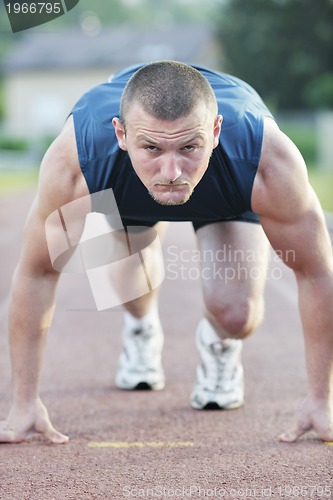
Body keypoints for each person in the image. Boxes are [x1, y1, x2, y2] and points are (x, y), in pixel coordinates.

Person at [0, 61, 332, 444]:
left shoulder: (266, 162)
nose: (171, 171)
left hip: (224, 192)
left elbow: (317, 272)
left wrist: (322, 399)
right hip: (126, 192)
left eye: (189, 146)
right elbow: (37, 271)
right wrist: (24, 402)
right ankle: (142, 329)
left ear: (215, 131)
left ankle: (217, 342)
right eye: (152, 148)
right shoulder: (78, 161)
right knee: (129, 291)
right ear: (121, 134)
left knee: (237, 314)